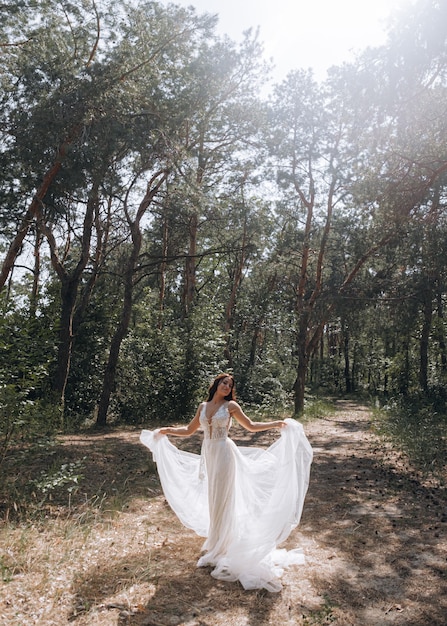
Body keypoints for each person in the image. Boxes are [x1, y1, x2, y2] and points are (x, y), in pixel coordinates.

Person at [140, 373, 313, 592]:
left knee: (223, 497)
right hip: (209, 455)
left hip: (224, 453)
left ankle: (221, 546)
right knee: (214, 497)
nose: (226, 386)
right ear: (216, 384)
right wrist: (166, 430)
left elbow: (250, 426)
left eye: (230, 385)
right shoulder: (203, 406)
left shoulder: (231, 406)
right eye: (224, 383)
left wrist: (276, 424)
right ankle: (217, 541)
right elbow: (189, 430)